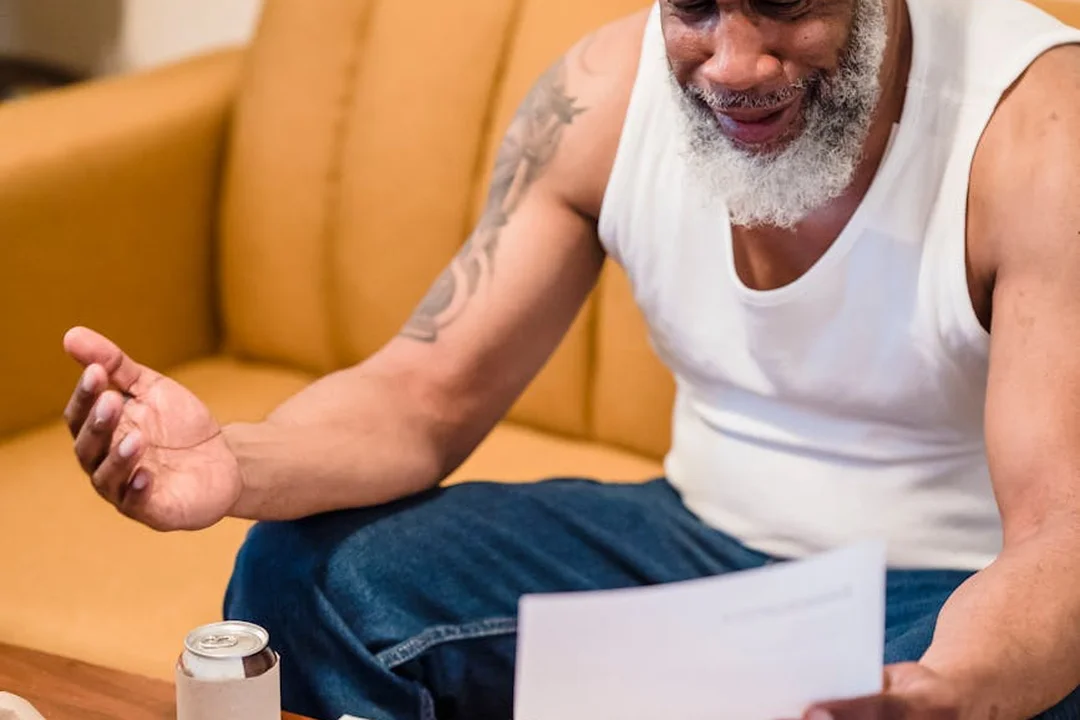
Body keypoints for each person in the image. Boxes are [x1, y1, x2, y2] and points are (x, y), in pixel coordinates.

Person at [60, 0, 1080, 717]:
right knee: (309, 573)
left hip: (950, 599)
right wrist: (232, 462)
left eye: (783, 2)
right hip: (696, 554)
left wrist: (954, 691)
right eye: (694, 7)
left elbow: (1061, 537)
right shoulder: (601, 98)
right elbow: (422, 394)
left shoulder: (1038, 128)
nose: (732, 63)